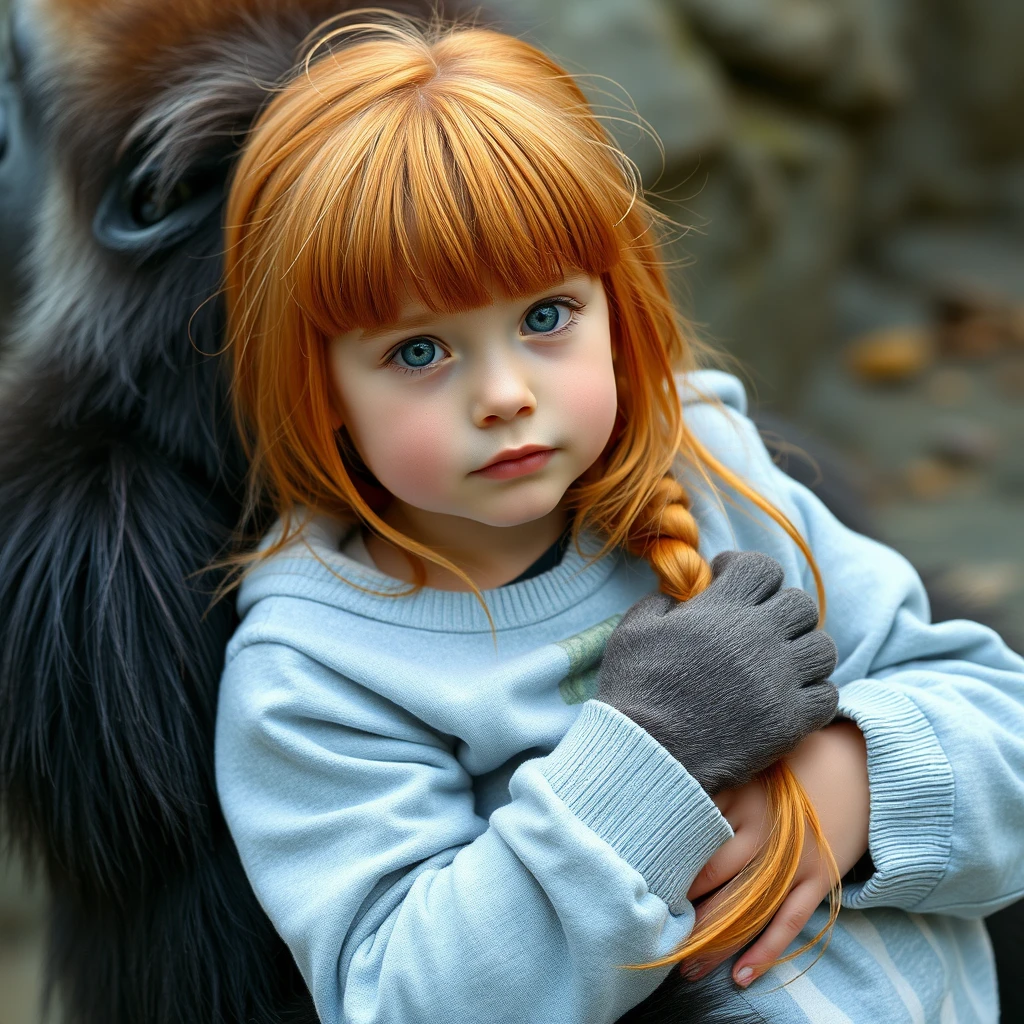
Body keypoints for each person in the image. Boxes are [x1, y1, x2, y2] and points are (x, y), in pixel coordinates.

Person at [214, 12, 1024, 1023]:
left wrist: (842, 787)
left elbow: (1000, 719)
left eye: (544, 316)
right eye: (419, 351)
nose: (503, 393)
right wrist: (651, 751)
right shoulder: (319, 677)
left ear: (616, 300)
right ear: (317, 384)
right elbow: (410, 999)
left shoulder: (720, 474)